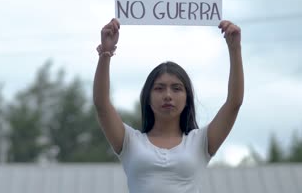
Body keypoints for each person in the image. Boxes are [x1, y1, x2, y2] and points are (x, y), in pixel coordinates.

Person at [93, 18, 244, 193]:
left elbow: (234, 102)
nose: (167, 95)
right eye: (159, 88)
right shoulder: (129, 141)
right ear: (147, 97)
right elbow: (101, 104)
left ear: (187, 98)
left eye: (177, 88)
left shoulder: (201, 142)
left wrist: (235, 49)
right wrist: (106, 53)